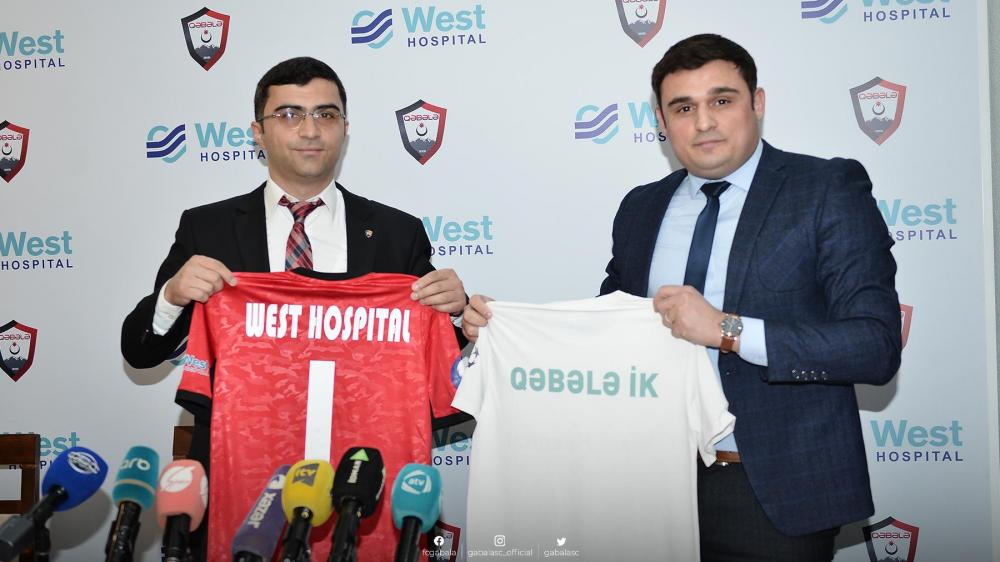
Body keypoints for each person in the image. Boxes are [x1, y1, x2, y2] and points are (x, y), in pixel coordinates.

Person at [463, 34, 901, 561]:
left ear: (757, 103)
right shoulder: (641, 208)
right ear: (662, 121)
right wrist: (509, 334)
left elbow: (873, 346)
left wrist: (727, 330)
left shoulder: (824, 188)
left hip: (769, 491)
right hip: (640, 486)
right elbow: (607, 333)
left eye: (722, 100)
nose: (704, 122)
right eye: (684, 108)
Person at [121, 56, 467, 558]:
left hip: (359, 484)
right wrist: (172, 296)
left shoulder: (398, 233)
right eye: (289, 114)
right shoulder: (208, 228)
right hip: (241, 477)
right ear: (257, 133)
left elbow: (432, 363)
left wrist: (456, 316)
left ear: (345, 128)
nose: (309, 130)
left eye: (326, 114)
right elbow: (139, 351)